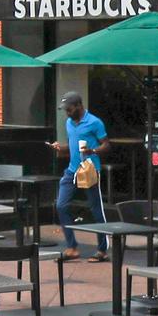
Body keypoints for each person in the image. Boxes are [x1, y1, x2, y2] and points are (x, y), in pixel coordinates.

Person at [46, 93, 108, 263]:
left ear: (79, 106)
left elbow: (106, 145)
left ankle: (102, 250)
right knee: (61, 205)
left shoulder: (94, 122)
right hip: (72, 170)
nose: (67, 113)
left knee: (96, 209)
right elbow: (72, 146)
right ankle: (72, 247)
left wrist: (92, 151)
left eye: (69, 109)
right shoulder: (69, 123)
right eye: (65, 110)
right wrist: (60, 148)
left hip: (89, 170)